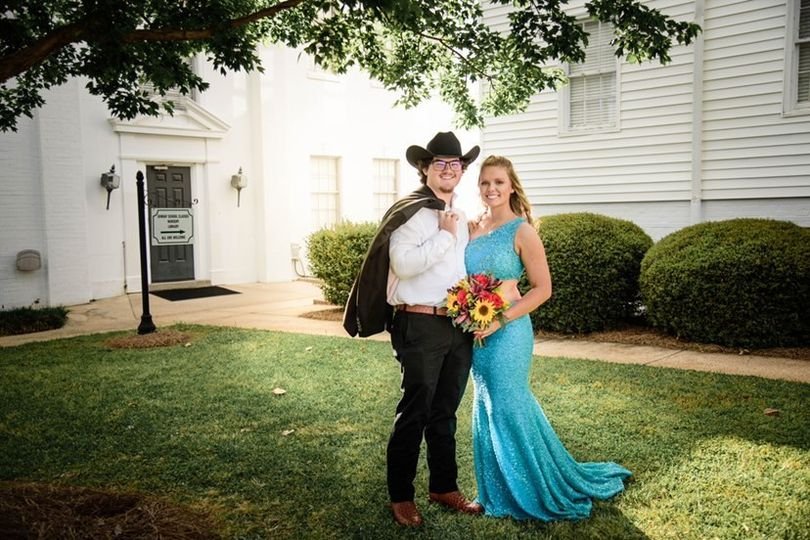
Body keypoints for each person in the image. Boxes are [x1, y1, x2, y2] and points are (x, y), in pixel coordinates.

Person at [466, 155, 632, 520]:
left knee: (509, 404)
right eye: (485, 182)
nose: (491, 188)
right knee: (486, 405)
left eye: (498, 182)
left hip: (509, 332)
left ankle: (532, 489)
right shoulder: (472, 226)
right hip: (477, 332)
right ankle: (493, 492)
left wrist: (500, 320)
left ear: (512, 186)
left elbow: (543, 289)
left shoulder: (522, 231)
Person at [343, 132, 483, 527]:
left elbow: (458, 268)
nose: (448, 169)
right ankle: (401, 496)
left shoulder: (460, 216)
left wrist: (467, 240)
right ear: (425, 168)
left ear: (462, 170)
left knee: (446, 412)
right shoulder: (411, 213)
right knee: (414, 411)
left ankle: (444, 486)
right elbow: (403, 266)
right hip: (418, 323)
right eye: (440, 163)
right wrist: (445, 235)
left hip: (457, 324)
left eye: (455, 163)